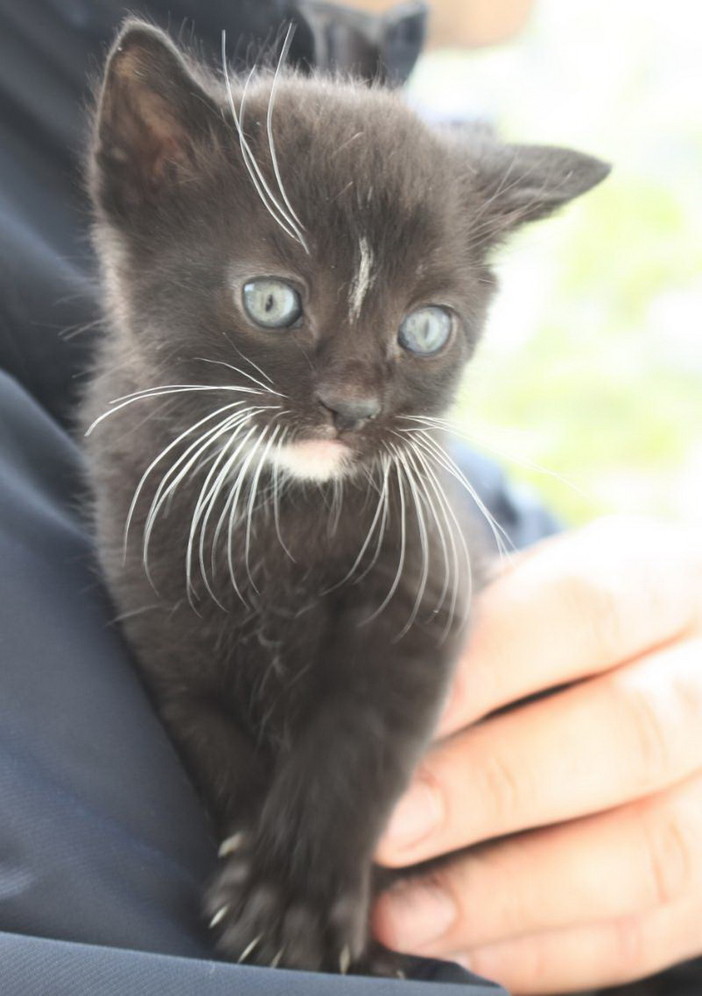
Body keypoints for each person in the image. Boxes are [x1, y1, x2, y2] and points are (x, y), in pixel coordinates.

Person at [0, 1, 699, 994]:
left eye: (423, 334)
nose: (355, 395)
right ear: (149, 167)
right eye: (276, 304)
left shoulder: (430, 483)